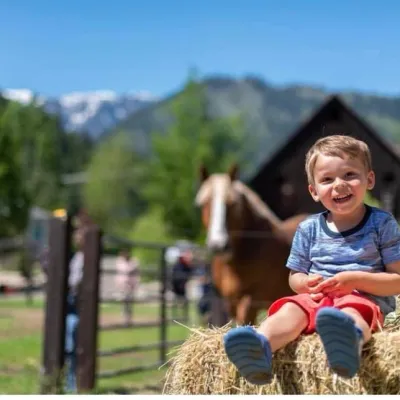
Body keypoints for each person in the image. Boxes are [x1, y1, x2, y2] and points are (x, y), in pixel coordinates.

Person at [223, 135, 400, 385]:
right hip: (316, 298)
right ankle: (259, 346)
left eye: (350, 174)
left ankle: (348, 344)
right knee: (290, 309)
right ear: (314, 191)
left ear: (369, 179)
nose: (339, 184)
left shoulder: (382, 224)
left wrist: (356, 280)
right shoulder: (308, 229)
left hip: (363, 298)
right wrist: (305, 283)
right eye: (327, 179)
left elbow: (397, 281)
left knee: (352, 311)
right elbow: (294, 277)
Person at [115, 248, 140, 325]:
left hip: (130, 286)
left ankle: (128, 319)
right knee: (124, 302)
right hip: (123, 285)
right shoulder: (120, 262)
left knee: (129, 302)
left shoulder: (133, 262)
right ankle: (125, 319)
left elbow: (135, 272)